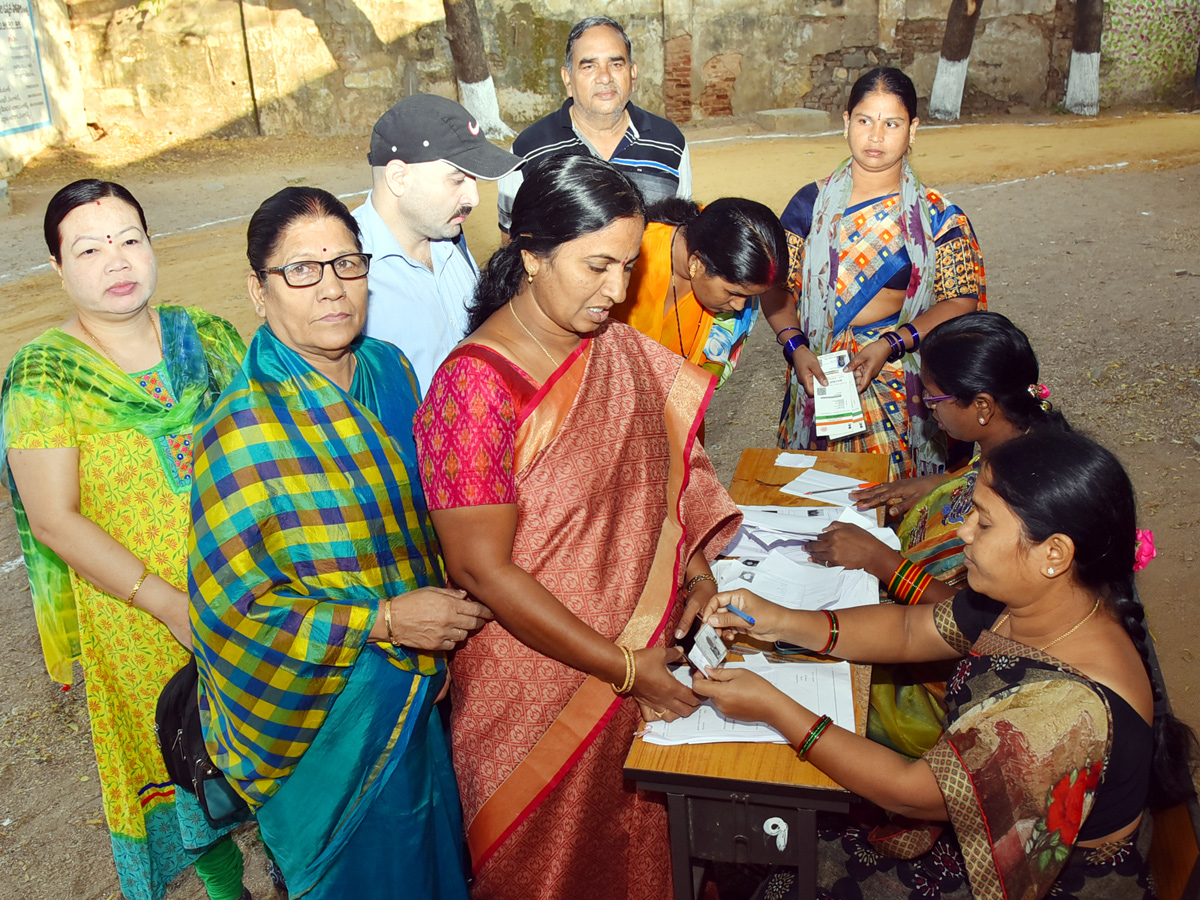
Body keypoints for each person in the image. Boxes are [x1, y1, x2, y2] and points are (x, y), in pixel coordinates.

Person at [413, 154, 741, 900]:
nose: (618, 291)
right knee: (550, 871)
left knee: (642, 850)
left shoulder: (613, 348)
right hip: (533, 687)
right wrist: (625, 670)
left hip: (639, 654)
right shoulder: (474, 387)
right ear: (531, 256)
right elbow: (480, 571)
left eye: (627, 267)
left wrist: (693, 568)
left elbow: (671, 464)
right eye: (596, 266)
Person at [697, 430, 1192, 900]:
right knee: (799, 828)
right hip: (968, 825)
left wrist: (773, 707)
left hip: (1031, 881)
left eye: (984, 521)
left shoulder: (1067, 711)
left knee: (803, 847)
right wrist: (779, 618)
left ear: (1054, 553)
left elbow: (910, 792)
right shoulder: (1036, 602)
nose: (962, 530)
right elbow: (910, 631)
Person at [190, 187, 488, 899]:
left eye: (348, 264)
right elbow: (232, 612)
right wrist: (386, 621)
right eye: (302, 270)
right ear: (259, 293)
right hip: (327, 716)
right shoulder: (242, 429)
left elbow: (422, 518)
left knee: (438, 861)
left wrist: (436, 627)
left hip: (419, 681)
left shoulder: (391, 369)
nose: (331, 288)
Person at [0, 180, 249, 900]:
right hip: (136, 613)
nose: (116, 261)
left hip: (243, 589)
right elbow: (53, 519)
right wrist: (168, 602)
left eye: (129, 239)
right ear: (57, 267)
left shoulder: (205, 337)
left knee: (276, 745)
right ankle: (230, 888)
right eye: (89, 248)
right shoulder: (44, 379)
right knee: (185, 759)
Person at [805, 311, 1071, 757]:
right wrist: (931, 486)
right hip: (929, 619)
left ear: (983, 407)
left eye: (933, 399)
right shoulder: (1019, 439)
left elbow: (975, 621)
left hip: (955, 688)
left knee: (818, 688)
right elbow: (971, 475)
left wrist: (879, 560)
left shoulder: (1027, 499)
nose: (926, 409)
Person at [776, 67, 986, 480]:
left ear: (913, 129)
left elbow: (963, 301)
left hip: (898, 379)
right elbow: (777, 287)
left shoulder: (937, 217)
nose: (876, 136)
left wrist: (891, 344)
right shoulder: (809, 206)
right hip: (818, 373)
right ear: (845, 122)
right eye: (864, 121)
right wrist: (795, 347)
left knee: (894, 501)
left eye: (892, 123)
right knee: (818, 495)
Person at [354, 93, 521, 395]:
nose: (474, 198)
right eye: (457, 180)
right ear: (399, 177)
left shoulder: (449, 235)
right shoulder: (346, 272)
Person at [496, 16, 691, 235]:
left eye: (616, 64)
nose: (605, 77)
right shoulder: (527, 152)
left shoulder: (670, 144)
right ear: (568, 80)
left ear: (633, 74)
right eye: (589, 66)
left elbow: (679, 237)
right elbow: (512, 247)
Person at [611, 197, 789, 389]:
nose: (740, 306)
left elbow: (703, 382)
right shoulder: (631, 259)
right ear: (697, 263)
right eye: (733, 292)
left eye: (749, 296)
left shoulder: (739, 277)